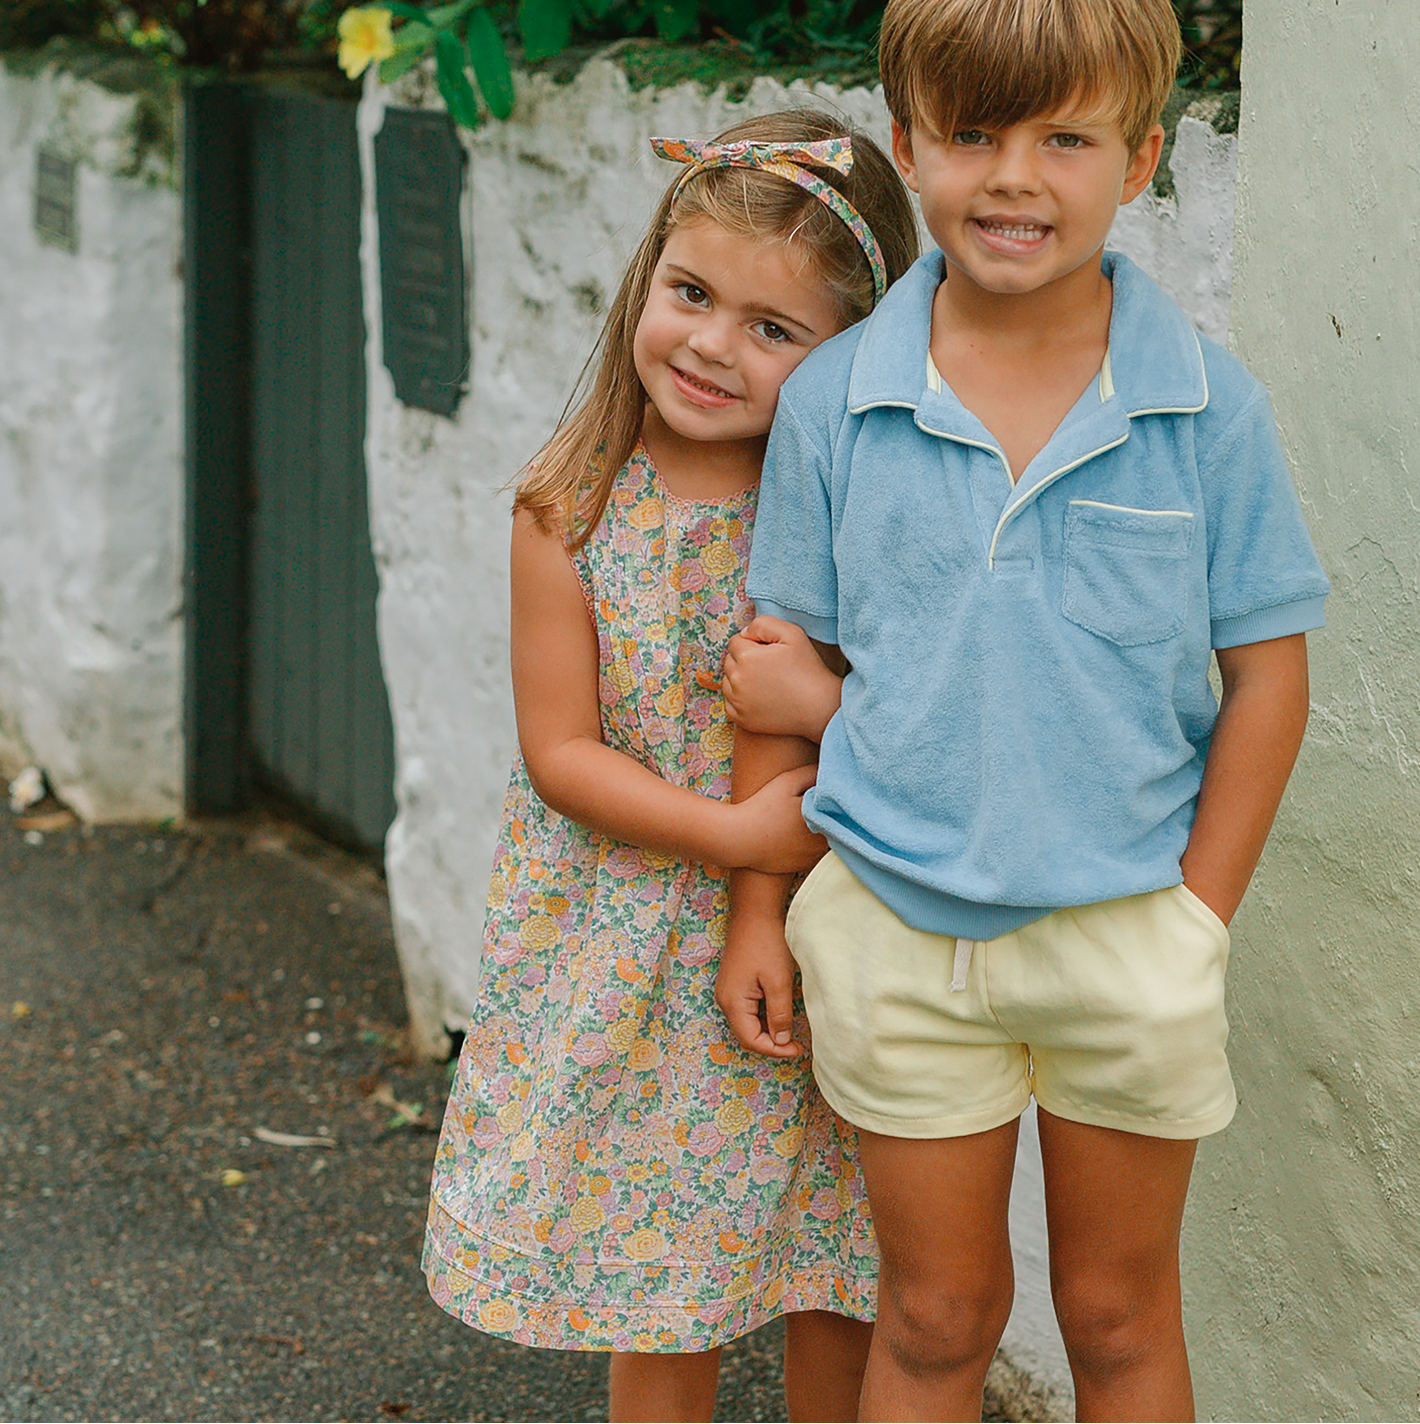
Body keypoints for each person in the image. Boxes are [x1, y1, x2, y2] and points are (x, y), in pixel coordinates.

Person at [716, 2, 1332, 1420]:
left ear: (1142, 157)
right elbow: (780, 659)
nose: (1015, 177)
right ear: (908, 145)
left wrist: (1195, 921)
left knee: (1116, 1320)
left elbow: (1268, 680)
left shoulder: (1206, 411)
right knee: (936, 1317)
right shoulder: (831, 404)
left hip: (1128, 934)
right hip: (893, 930)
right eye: (974, 134)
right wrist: (761, 905)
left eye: (1067, 138)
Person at [423, 108, 921, 1424]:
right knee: (663, 1271)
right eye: (692, 292)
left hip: (831, 930)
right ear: (648, 272)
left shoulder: (850, 513)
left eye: (775, 329)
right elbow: (562, 753)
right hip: (627, 943)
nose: (710, 345)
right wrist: (740, 841)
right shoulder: (570, 502)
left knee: (844, 1251)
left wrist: (780, 861)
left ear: (851, 355)